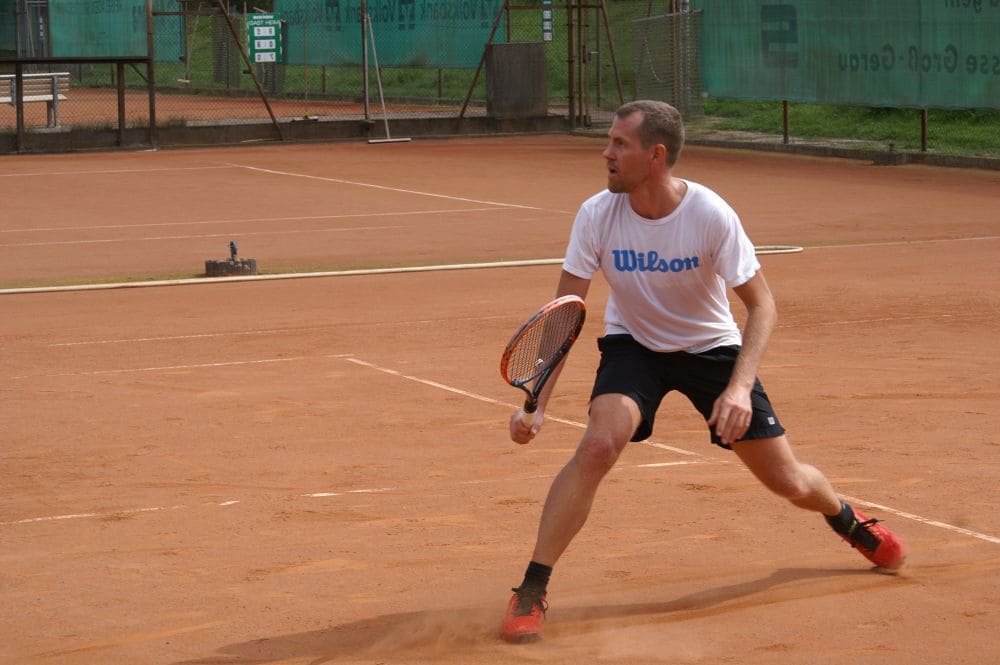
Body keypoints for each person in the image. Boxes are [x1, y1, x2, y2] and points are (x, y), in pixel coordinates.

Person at [499, 100, 905, 644]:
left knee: (786, 481)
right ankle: (531, 588)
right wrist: (538, 403)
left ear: (656, 155)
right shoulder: (597, 213)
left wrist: (738, 387)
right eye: (610, 142)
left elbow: (762, 306)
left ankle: (846, 518)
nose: (607, 152)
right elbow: (565, 315)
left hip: (710, 349)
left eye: (620, 144)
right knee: (598, 445)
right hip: (634, 345)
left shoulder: (710, 215)